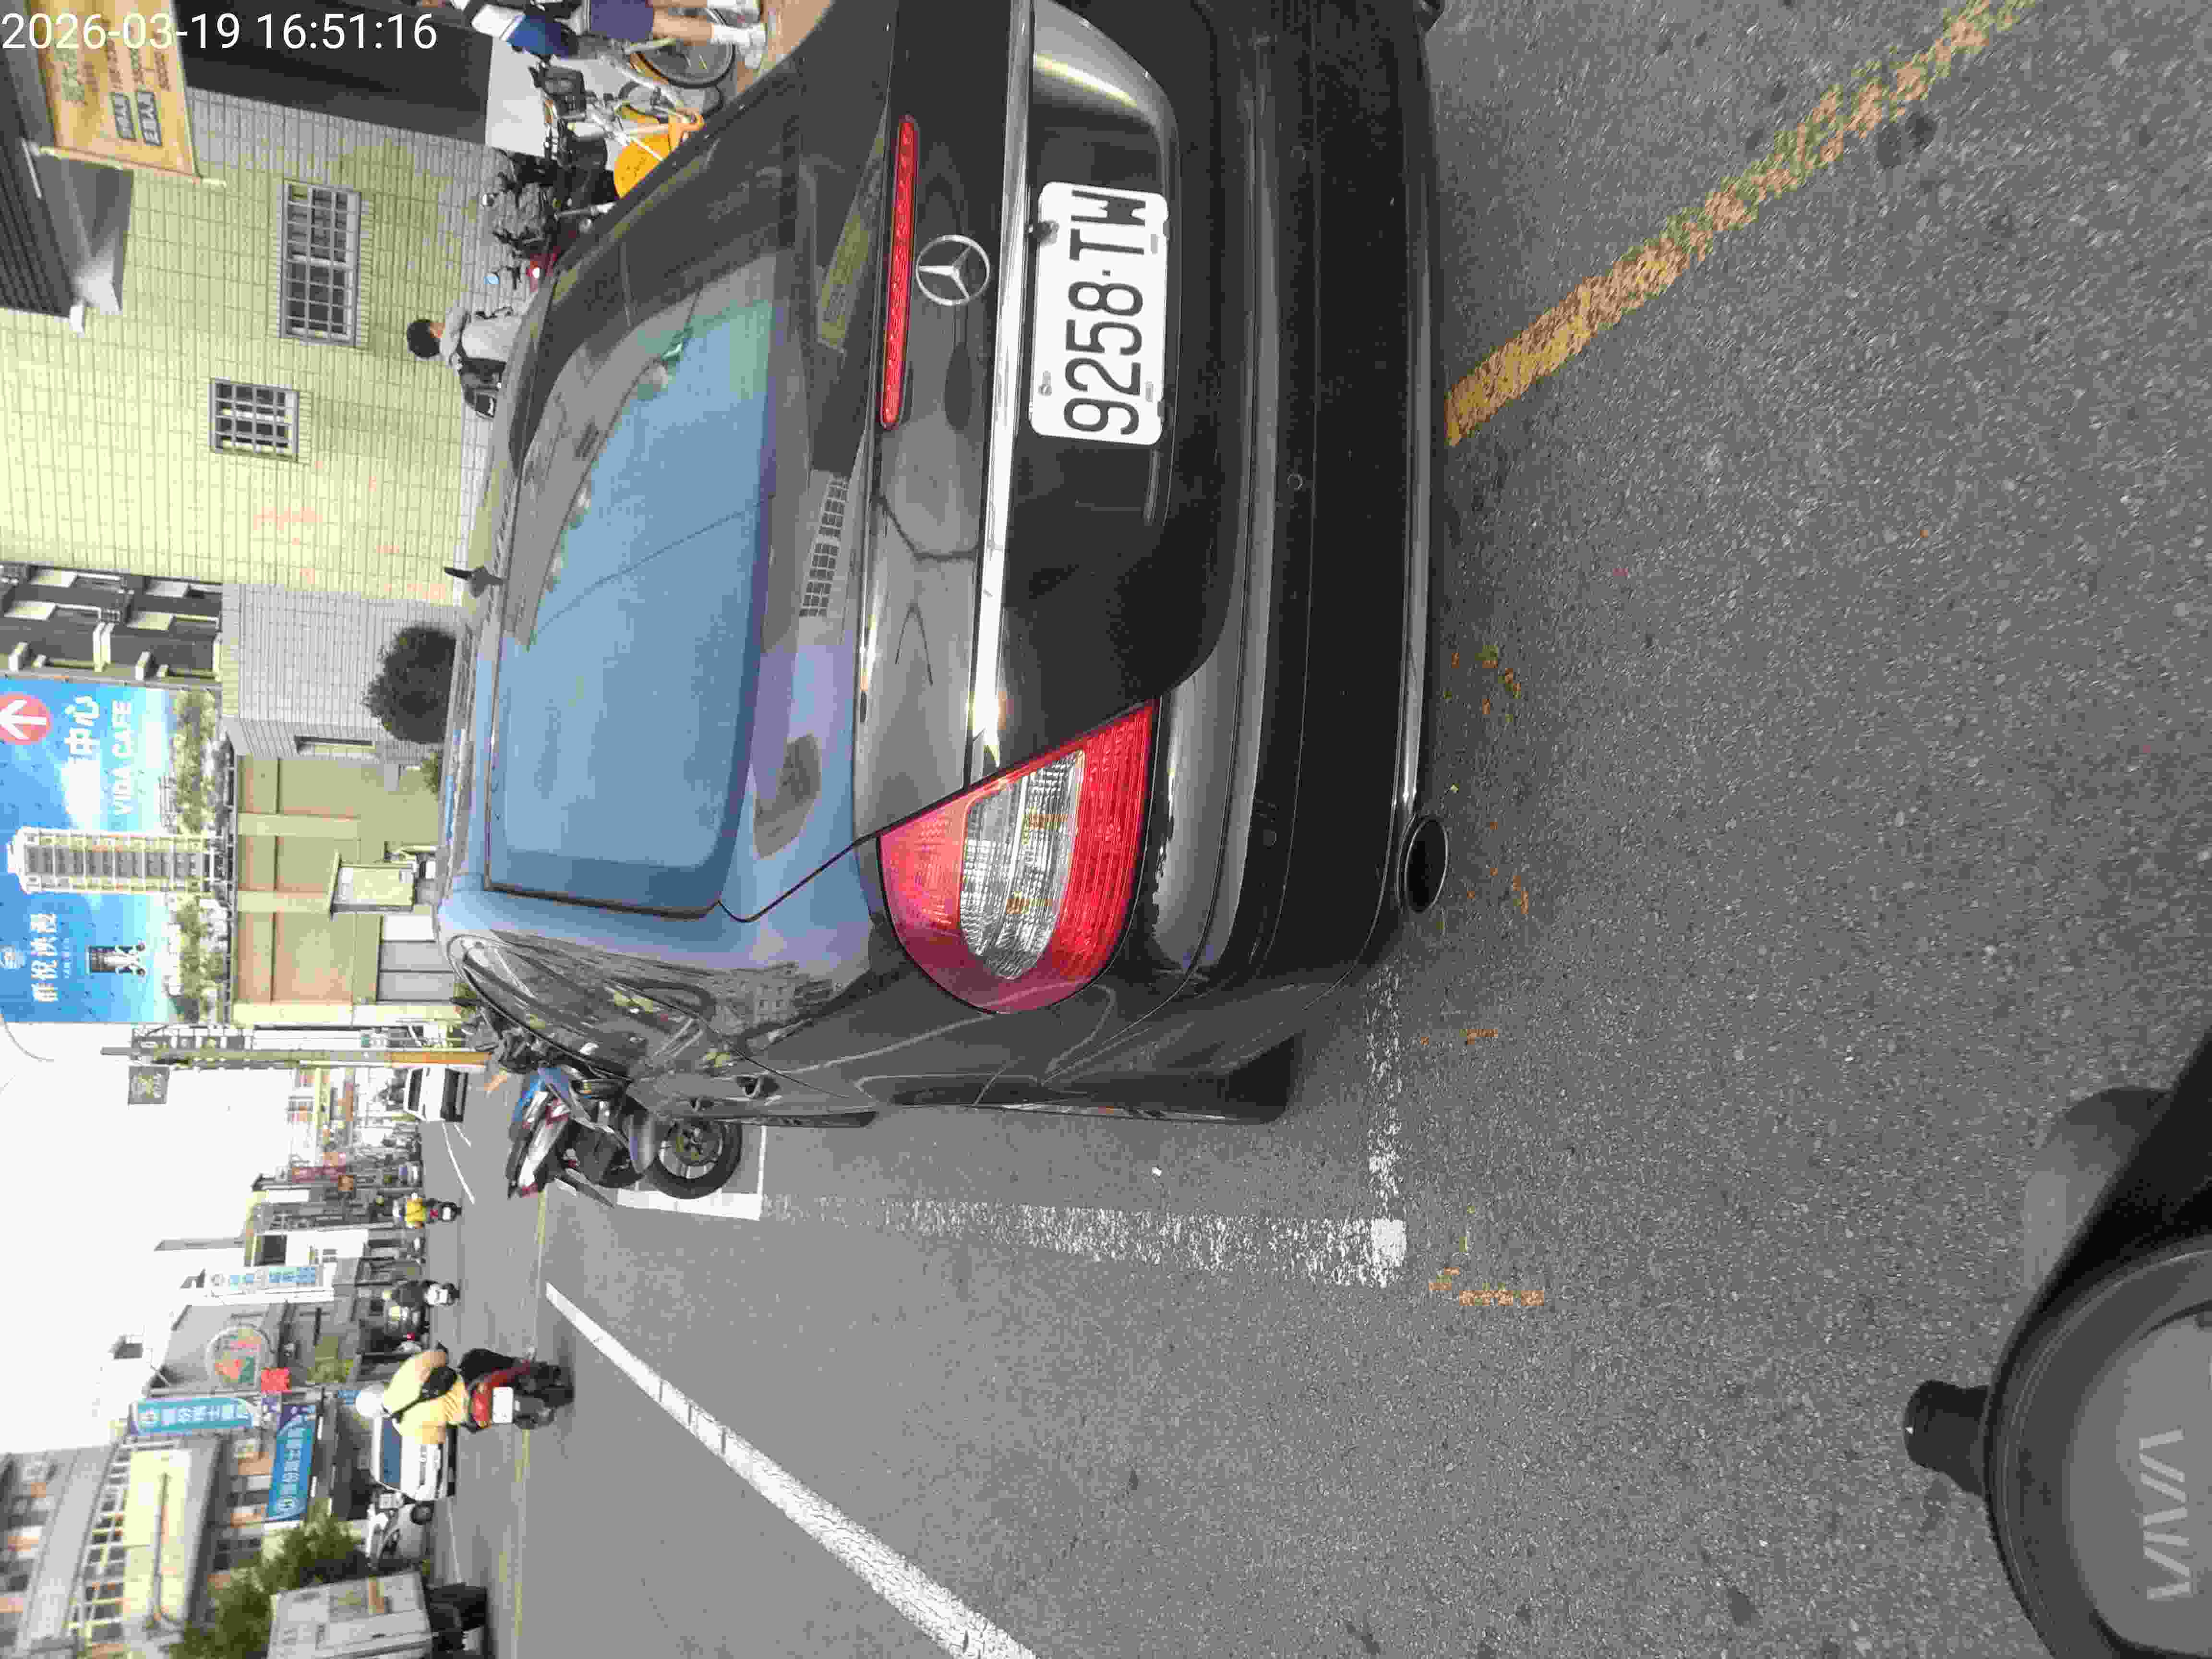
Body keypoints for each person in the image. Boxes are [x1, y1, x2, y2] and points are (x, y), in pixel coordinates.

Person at [414, 0, 765, 64]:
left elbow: (540, 37)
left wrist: (568, 48)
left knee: (657, 23)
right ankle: (739, 3)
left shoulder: (476, 14)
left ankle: (747, 37)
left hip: (582, 10)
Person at [354, 1344, 527, 1445]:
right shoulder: (402, 1376)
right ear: (379, 1387)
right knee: (475, 1357)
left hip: (471, 1418)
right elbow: (441, 1357)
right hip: (470, 1384)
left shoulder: (404, 1429)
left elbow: (441, 1437)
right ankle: (518, 1364)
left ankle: (518, 1416)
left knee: (482, 1421)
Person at [405, 303, 523, 376]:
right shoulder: (470, 335)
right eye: (436, 323)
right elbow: (521, 330)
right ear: (434, 331)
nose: (442, 323)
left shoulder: (464, 369)